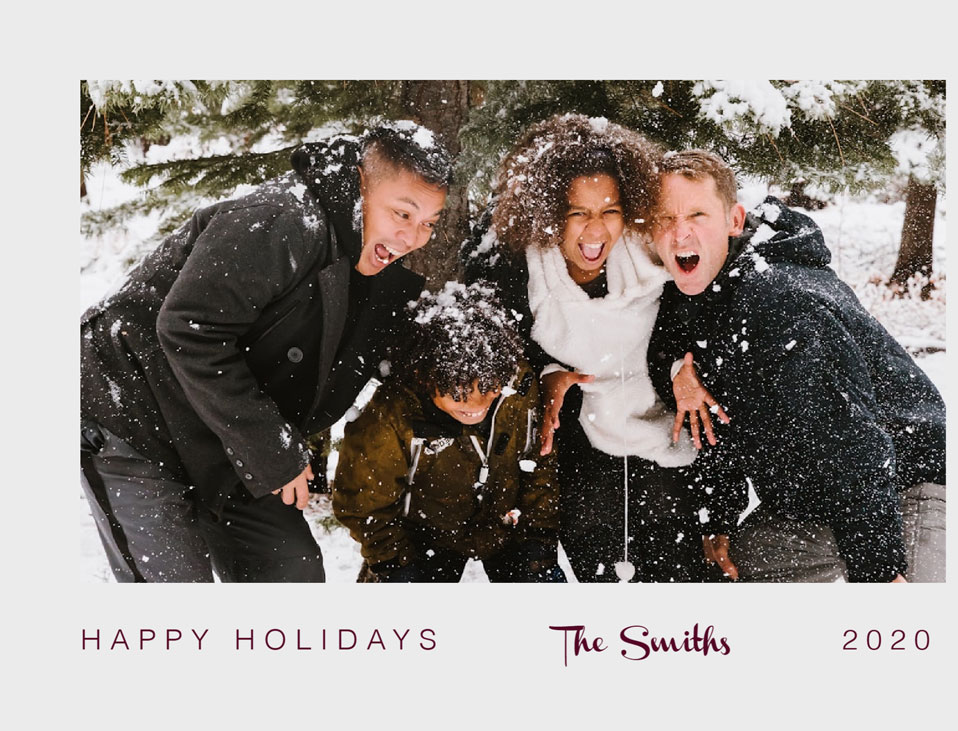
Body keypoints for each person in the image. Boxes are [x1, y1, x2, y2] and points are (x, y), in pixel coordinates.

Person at [80, 122, 453, 582]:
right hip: (133, 405)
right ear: (360, 185)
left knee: (289, 574)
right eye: (402, 214)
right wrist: (276, 454)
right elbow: (188, 328)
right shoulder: (280, 218)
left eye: (428, 224)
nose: (414, 238)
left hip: (222, 427)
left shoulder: (363, 253)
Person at [647, 149, 947, 583]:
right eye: (665, 218)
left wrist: (879, 572)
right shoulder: (699, 293)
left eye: (697, 214)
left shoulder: (780, 301)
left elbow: (853, 444)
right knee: (733, 569)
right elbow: (715, 409)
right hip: (815, 504)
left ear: (734, 221)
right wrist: (720, 516)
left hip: (904, 485)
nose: (680, 233)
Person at [464, 115, 718, 582]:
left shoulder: (654, 249)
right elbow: (492, 344)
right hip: (577, 446)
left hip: (666, 436)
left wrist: (685, 361)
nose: (596, 231)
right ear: (545, 212)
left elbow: (720, 264)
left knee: (676, 575)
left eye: (610, 210)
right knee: (598, 567)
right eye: (577, 213)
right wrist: (547, 371)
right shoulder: (512, 266)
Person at [332, 282, 563, 582]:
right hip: (419, 540)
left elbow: (539, 463)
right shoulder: (392, 413)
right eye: (459, 392)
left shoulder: (518, 385)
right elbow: (363, 503)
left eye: (490, 386)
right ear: (424, 374)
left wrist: (538, 543)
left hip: (507, 528)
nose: (476, 404)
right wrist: (394, 563)